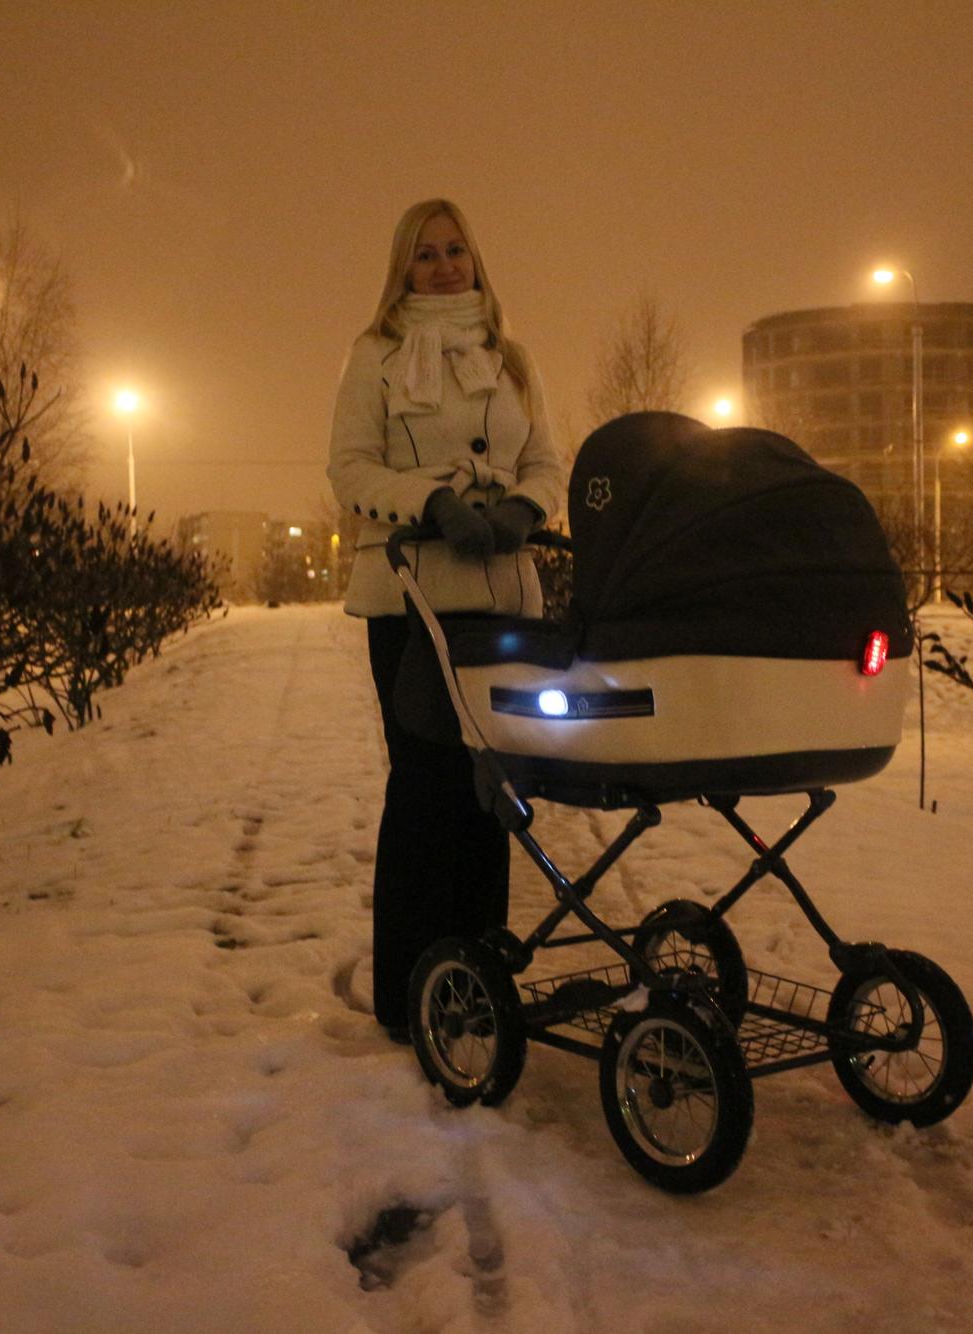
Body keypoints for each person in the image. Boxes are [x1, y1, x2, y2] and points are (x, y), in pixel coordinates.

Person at [327, 198, 567, 1041]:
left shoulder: (512, 359)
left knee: (488, 791)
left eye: (455, 251)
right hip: (411, 596)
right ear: (403, 269)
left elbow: (546, 459)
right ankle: (406, 996)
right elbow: (348, 467)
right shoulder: (378, 355)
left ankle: (475, 985)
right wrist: (429, 501)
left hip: (501, 595)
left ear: (476, 259)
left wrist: (525, 511)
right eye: (425, 255)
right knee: (425, 791)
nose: (443, 267)